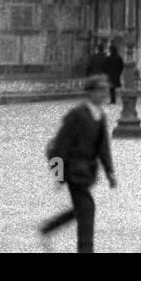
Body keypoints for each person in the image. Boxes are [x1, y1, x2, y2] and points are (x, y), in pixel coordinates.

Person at [40, 75, 117, 253]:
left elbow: (103, 147)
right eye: (101, 90)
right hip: (73, 171)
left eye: (106, 90)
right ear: (90, 93)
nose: (105, 94)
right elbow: (60, 146)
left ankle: (49, 227)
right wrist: (59, 176)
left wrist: (110, 173)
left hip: (87, 171)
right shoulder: (77, 115)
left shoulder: (100, 116)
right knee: (87, 209)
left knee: (80, 209)